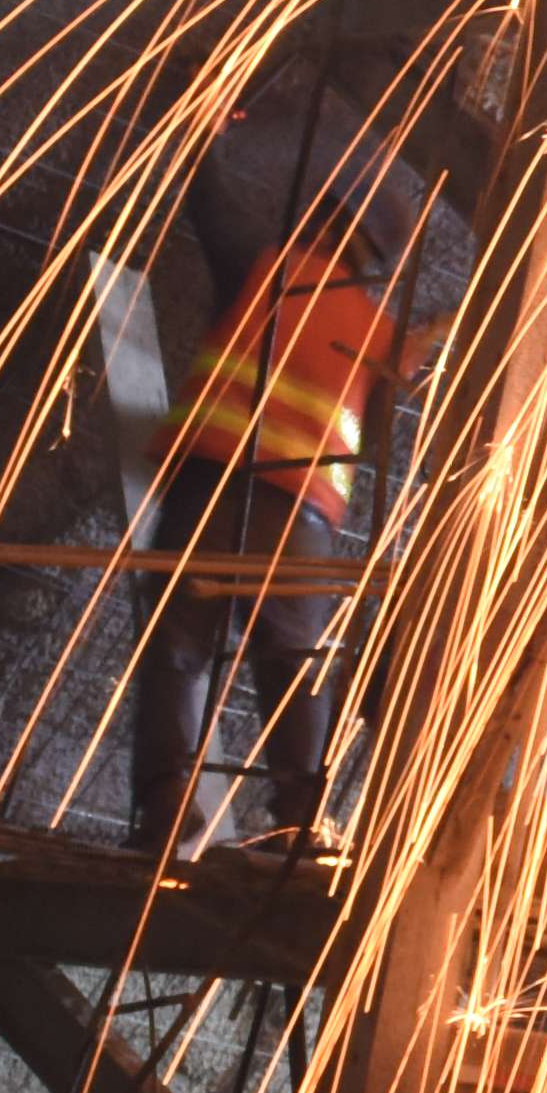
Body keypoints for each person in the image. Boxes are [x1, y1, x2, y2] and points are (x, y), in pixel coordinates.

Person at [125, 221, 396, 851]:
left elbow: (212, 204)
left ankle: (167, 805)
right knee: (293, 662)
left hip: (211, 484)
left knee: (177, 646)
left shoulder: (264, 266)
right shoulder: (379, 331)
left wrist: (203, 154)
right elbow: (373, 440)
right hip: (299, 518)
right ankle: (298, 820)